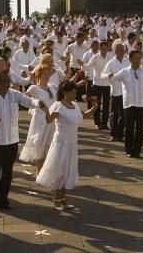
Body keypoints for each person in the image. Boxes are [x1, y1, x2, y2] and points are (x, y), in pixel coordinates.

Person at [0, 70, 46, 210]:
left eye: (8, 82)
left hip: (11, 140)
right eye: (3, 82)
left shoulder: (14, 95)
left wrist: (38, 103)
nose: (7, 85)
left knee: (7, 173)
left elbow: (28, 101)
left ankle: (3, 200)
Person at [37, 80, 97, 210]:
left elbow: (84, 115)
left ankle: (64, 200)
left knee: (68, 170)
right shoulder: (58, 105)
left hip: (72, 142)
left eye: (75, 91)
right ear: (65, 93)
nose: (75, 94)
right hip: (60, 143)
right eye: (72, 92)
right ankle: (56, 200)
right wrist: (46, 110)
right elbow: (49, 120)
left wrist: (95, 107)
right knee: (60, 170)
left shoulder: (75, 105)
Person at [19, 65, 58, 174]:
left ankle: (45, 170)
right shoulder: (34, 88)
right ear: (39, 76)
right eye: (44, 75)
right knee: (39, 144)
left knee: (49, 145)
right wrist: (35, 103)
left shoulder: (53, 86)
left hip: (51, 119)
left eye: (48, 74)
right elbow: (23, 99)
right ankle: (39, 171)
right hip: (40, 119)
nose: (47, 77)